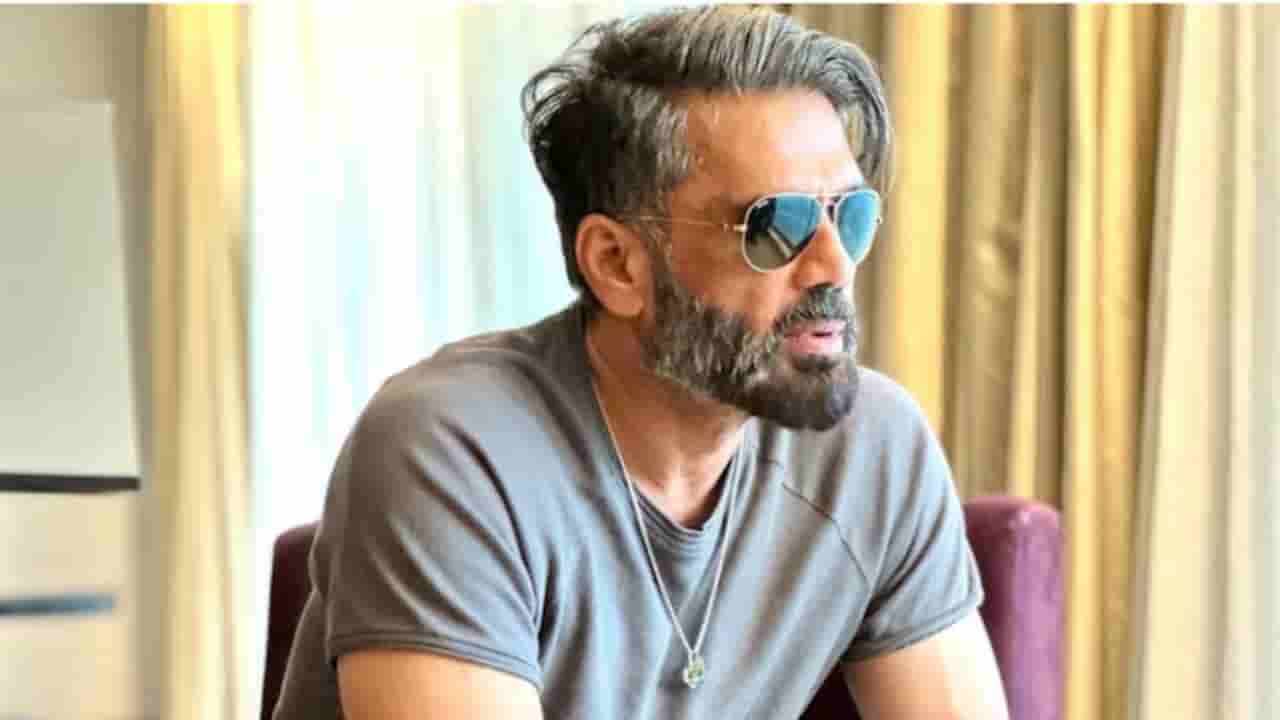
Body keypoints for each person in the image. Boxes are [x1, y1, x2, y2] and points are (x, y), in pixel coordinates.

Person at [272, 6, 1008, 719]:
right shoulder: (451, 449)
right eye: (775, 225)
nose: (834, 265)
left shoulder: (872, 449)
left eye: (850, 215)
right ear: (617, 263)